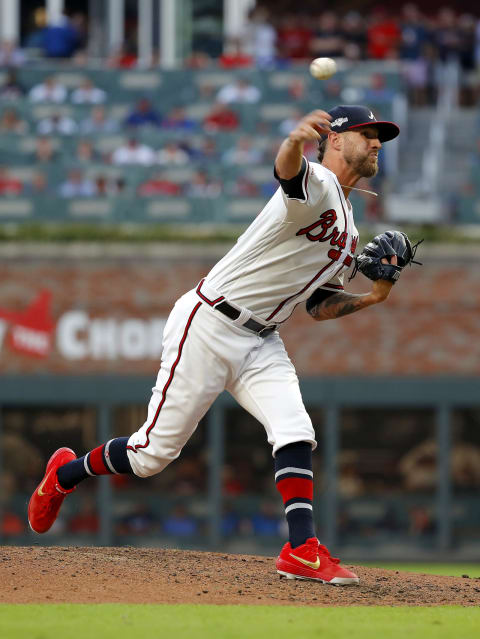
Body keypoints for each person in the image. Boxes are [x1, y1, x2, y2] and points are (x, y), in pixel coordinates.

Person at [28, 104, 401, 586]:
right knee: (150, 456)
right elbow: (287, 172)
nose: (375, 143)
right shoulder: (319, 185)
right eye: (367, 133)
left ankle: (302, 549)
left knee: (294, 427)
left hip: (262, 340)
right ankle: (65, 474)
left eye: (380, 137)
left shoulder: (348, 231)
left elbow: (316, 306)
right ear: (336, 139)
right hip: (209, 324)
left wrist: (373, 296)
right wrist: (293, 140)